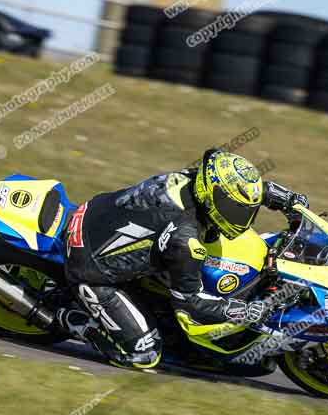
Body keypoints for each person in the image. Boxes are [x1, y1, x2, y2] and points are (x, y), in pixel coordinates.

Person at [56, 148, 308, 369]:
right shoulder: (185, 240)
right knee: (144, 354)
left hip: (99, 212)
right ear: (211, 196)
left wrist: (286, 199)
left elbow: (236, 187)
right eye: (236, 210)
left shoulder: (199, 180)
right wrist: (244, 311)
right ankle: (69, 319)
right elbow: (191, 304)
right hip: (91, 266)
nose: (243, 218)